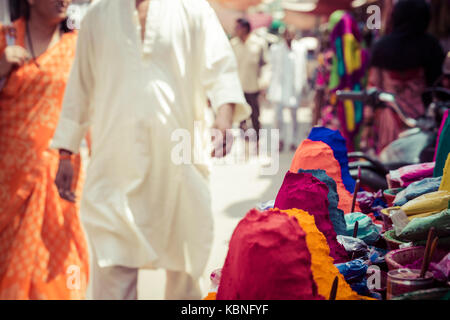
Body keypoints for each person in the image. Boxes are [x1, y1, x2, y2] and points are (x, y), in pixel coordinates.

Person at [51, 0, 250, 300]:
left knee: (184, 271)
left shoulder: (192, 9)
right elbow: (80, 85)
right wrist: (66, 150)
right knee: (112, 268)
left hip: (179, 169)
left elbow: (221, 67)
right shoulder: (98, 14)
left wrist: (224, 118)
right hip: (114, 166)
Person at [0, 0, 89, 299]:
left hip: (59, 171)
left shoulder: (78, 47)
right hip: (8, 178)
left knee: (56, 263)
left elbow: (89, 109)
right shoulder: (6, 38)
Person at [367, 0, 445, 154]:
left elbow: (373, 86)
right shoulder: (431, 46)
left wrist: (368, 122)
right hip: (423, 122)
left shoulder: (381, 46)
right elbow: (438, 86)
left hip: (390, 120)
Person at [267, 26, 308, 152]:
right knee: (278, 117)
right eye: (287, 34)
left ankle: (294, 140)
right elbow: (272, 69)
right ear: (284, 36)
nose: (289, 37)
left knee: (294, 116)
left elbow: (303, 69)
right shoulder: (276, 49)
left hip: (294, 87)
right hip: (279, 87)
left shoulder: (300, 49)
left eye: (291, 34)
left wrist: (303, 85)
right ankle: (280, 140)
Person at [231, 18, 268, 143]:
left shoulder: (258, 43)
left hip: (253, 86)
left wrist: (264, 84)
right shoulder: (233, 44)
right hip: (238, 87)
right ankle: (244, 142)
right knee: (241, 116)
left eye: (238, 28)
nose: (235, 30)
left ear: (245, 29)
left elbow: (265, 65)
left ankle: (258, 140)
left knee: (255, 115)